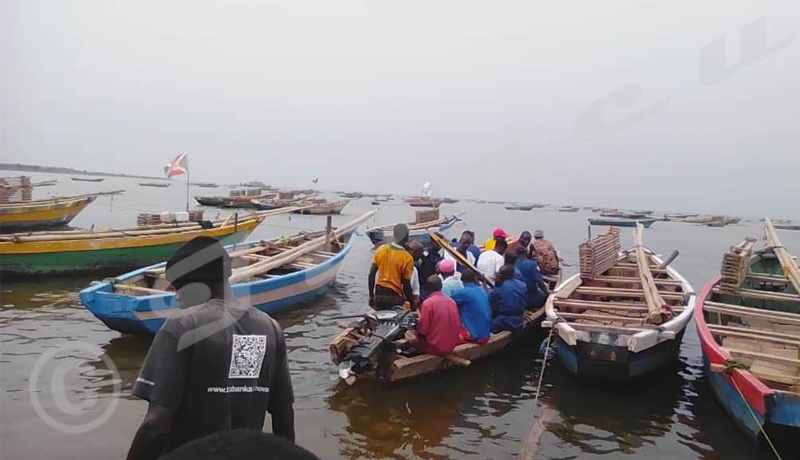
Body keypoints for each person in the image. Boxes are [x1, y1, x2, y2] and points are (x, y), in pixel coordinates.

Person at [126, 237, 295, 460]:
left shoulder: (182, 327)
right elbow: (284, 415)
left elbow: (156, 424)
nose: (177, 297)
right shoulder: (270, 328)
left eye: (179, 288)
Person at [161, 430, 320, 460]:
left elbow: (155, 422)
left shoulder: (173, 339)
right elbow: (284, 411)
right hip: (258, 448)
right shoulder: (273, 339)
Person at [368, 224, 416, 311]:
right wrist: (412, 302)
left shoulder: (380, 250)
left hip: (379, 295)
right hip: (394, 297)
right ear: (407, 238)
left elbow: (371, 274)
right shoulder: (407, 258)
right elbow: (406, 285)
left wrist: (371, 295)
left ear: (393, 235)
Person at [412, 276, 462, 356]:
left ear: (427, 288)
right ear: (441, 286)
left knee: (411, 339)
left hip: (436, 348)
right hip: (452, 345)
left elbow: (422, 331)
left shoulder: (428, 304)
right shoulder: (451, 301)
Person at [450, 269, 491, 344]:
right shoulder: (482, 290)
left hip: (476, 335)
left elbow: (448, 305)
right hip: (486, 333)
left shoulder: (462, 293)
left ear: (462, 280)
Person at [489, 264, 528, 333]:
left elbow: (490, 298)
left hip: (505, 320)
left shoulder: (501, 287)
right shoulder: (522, 285)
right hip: (519, 319)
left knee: (488, 328)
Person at [513, 245, 550, 309]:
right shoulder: (532, 264)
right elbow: (539, 281)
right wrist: (547, 293)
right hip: (530, 298)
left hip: (515, 297)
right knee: (544, 297)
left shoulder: (511, 264)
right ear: (526, 253)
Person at [418, 233, 444, 299]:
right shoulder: (426, 253)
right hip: (424, 284)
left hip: (433, 284)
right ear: (432, 242)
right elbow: (419, 265)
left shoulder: (439, 254)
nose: (439, 245)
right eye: (437, 243)